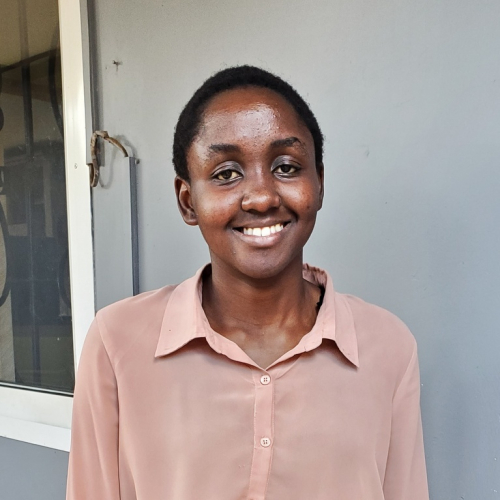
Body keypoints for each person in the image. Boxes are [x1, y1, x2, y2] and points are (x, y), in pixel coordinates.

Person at [66, 66, 429, 500]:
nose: (262, 197)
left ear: (319, 183)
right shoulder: (118, 343)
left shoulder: (388, 346)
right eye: (226, 174)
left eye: (286, 167)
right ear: (188, 201)